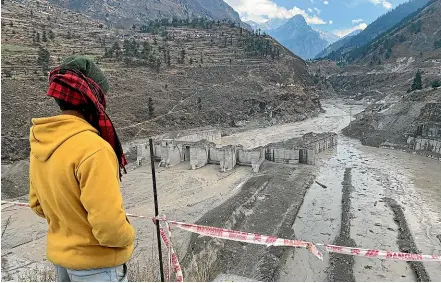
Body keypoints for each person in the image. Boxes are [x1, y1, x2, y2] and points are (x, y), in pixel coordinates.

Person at [29, 56, 135, 282]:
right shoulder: (94, 149)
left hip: (63, 263)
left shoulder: (41, 142)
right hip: (97, 267)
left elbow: (37, 205)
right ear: (94, 101)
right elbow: (109, 226)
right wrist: (128, 235)